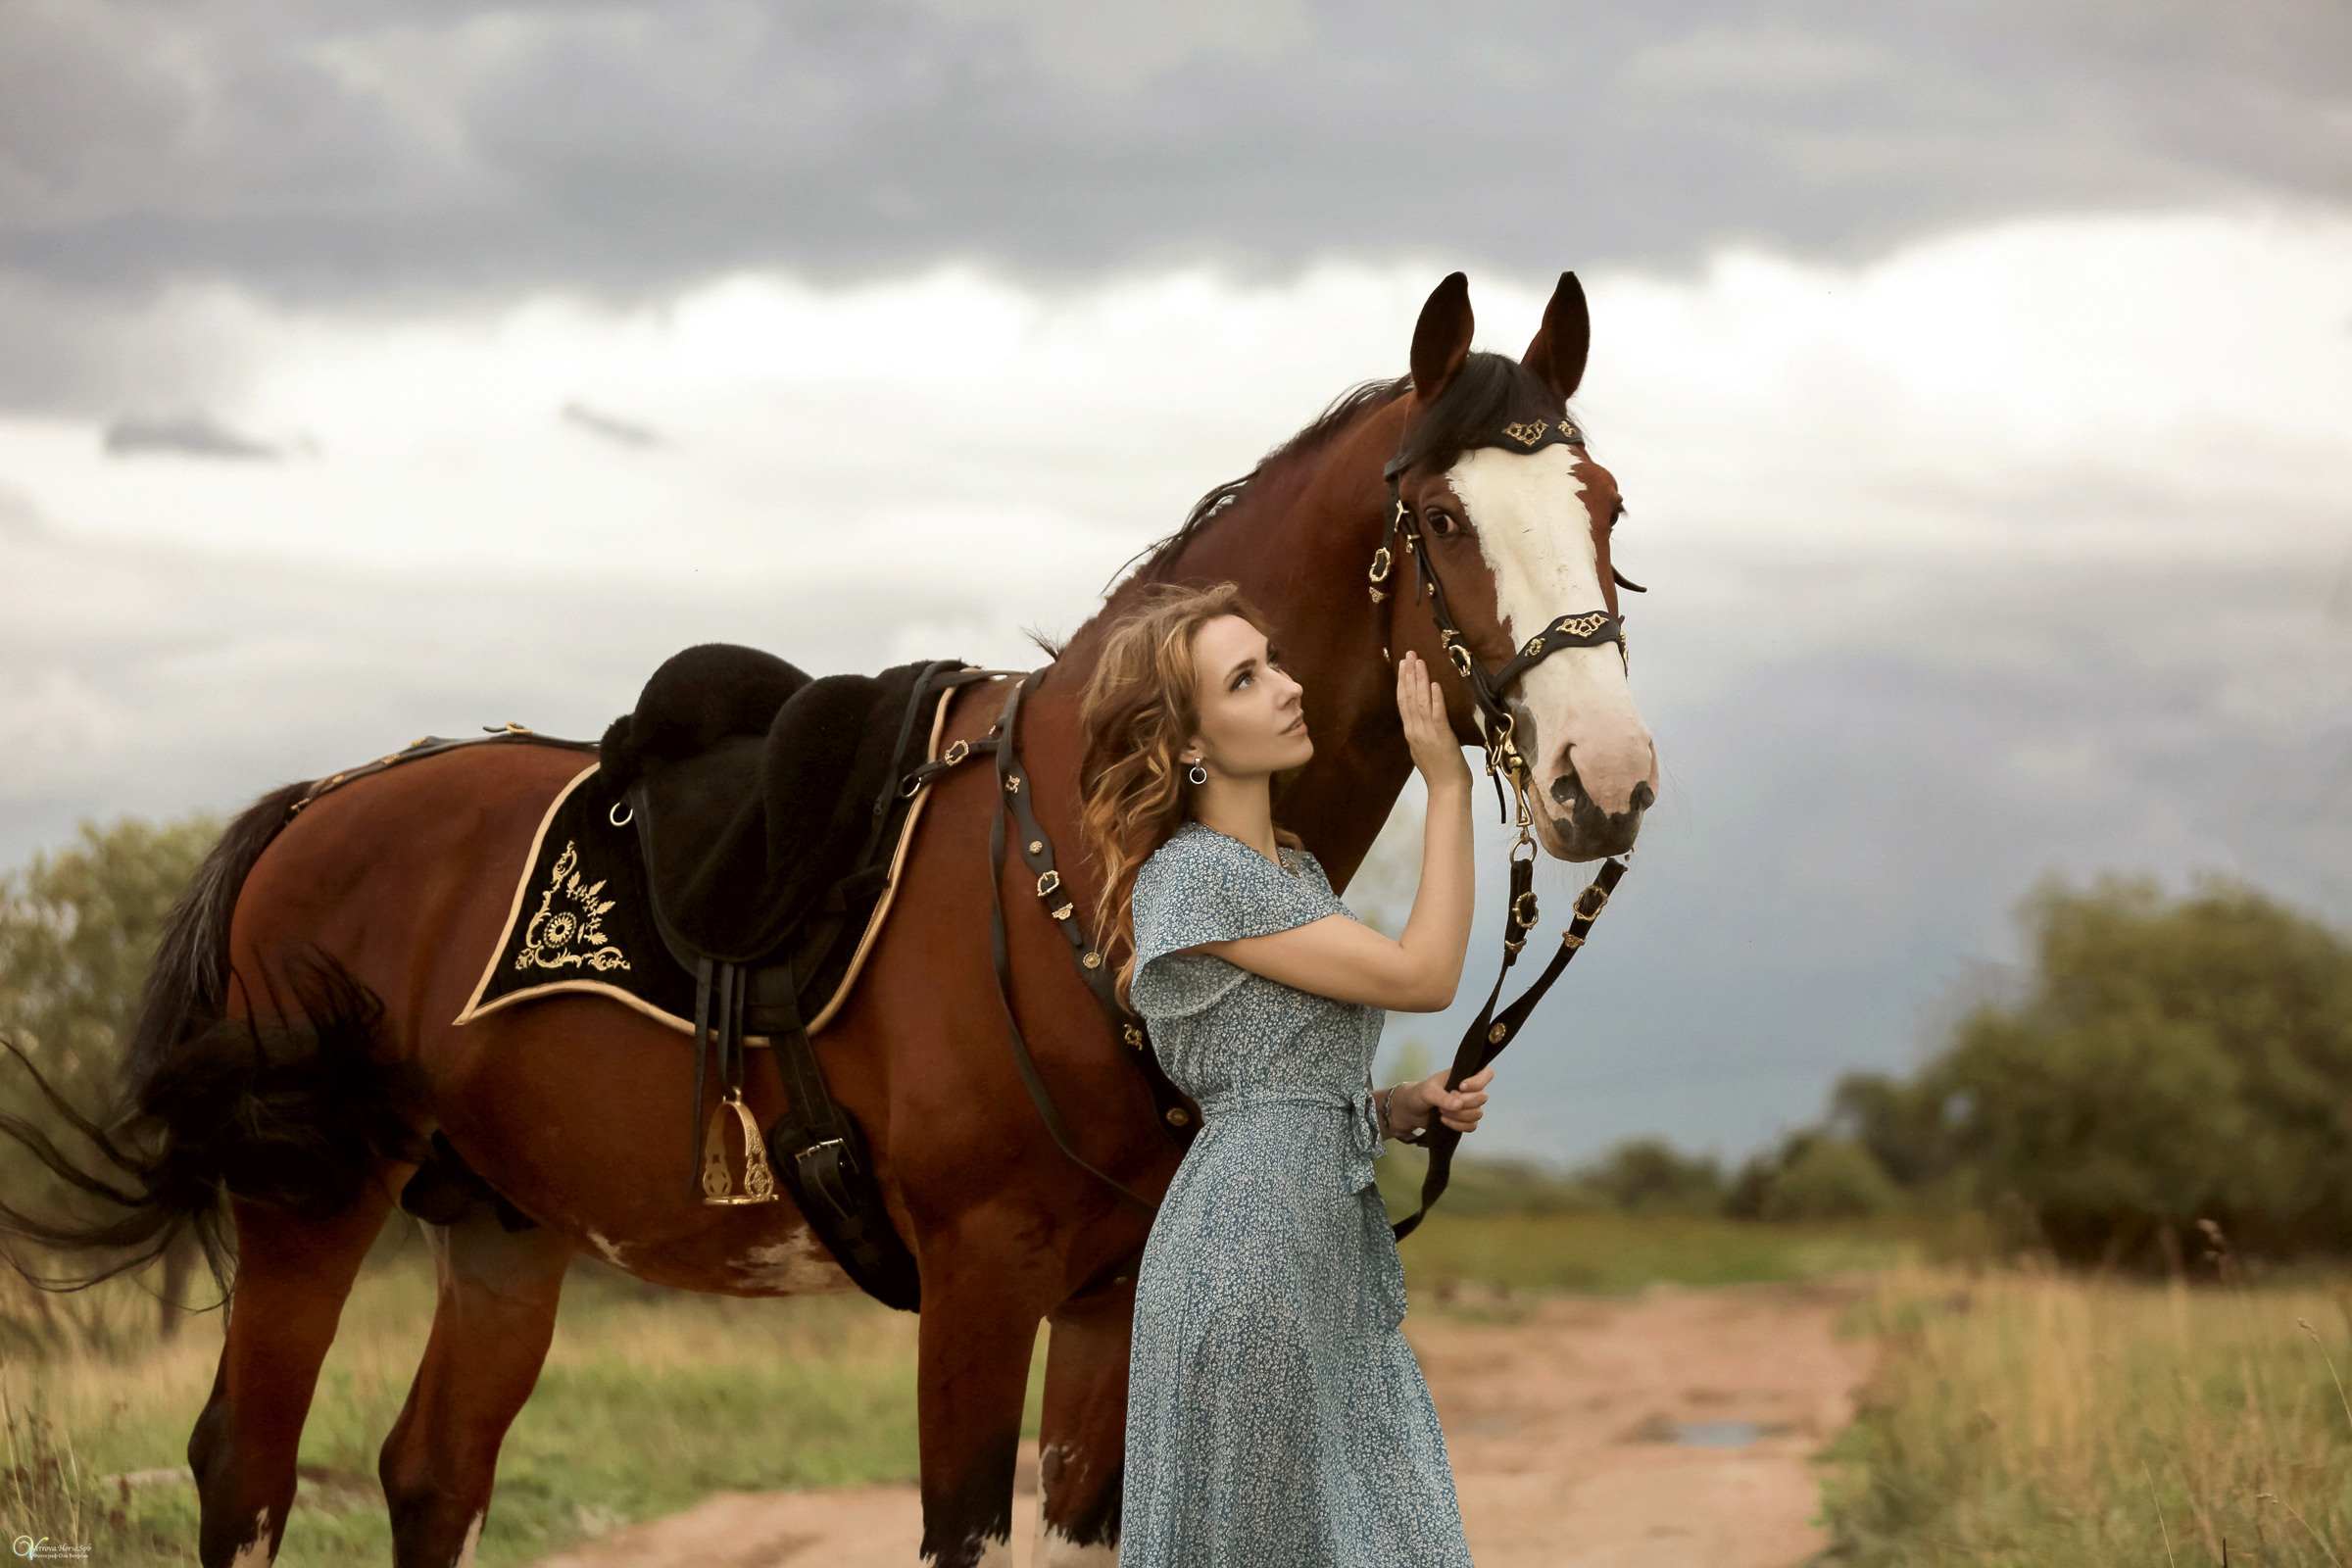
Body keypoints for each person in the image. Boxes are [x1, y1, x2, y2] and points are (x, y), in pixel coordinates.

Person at [1077, 580, 1490, 1567]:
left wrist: (1392, 1107)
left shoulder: (1293, 878)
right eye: (1245, 679)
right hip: (1249, 1262)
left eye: (1274, 663)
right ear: (1188, 741)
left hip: (1315, 1254)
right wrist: (1447, 785)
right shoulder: (1197, 874)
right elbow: (1425, 977)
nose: (1287, 686)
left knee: (1383, 1533)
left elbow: (1281, 1072)